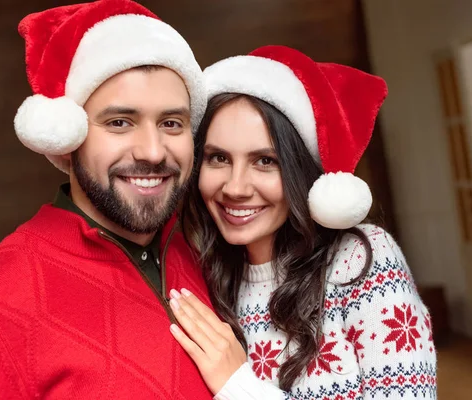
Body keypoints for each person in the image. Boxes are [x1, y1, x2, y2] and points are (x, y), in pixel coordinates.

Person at [0, 1, 213, 398]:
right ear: (67, 140)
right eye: (119, 123)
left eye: (171, 123)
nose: (152, 150)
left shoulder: (207, 251)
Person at [171, 45, 438, 399]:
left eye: (265, 161)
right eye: (218, 158)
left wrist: (239, 386)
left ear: (301, 170)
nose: (234, 187)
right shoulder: (201, 272)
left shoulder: (359, 260)